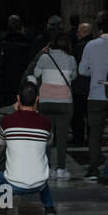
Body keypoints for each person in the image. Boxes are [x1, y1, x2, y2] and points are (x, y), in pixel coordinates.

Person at [0, 80, 56, 215]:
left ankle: (10, 199)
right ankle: (49, 208)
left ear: (18, 99)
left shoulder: (7, 121)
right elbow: (50, 141)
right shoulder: (46, 123)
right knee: (40, 172)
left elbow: (0, 141)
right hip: (39, 183)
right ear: (37, 98)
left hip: (13, 182)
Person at [32, 31, 77, 179]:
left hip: (46, 102)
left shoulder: (45, 57)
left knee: (47, 136)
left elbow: (36, 73)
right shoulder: (71, 59)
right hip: (65, 102)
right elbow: (73, 76)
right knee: (62, 138)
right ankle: (61, 168)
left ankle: (46, 168)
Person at [78, 16, 108, 180]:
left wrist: (97, 73)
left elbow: (82, 70)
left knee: (95, 134)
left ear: (99, 30)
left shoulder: (91, 45)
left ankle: (93, 168)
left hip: (96, 93)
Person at [70, 20, 95, 145]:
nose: (77, 34)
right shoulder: (94, 45)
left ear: (86, 32)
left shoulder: (79, 46)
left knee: (78, 115)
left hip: (80, 86)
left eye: (80, 31)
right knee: (89, 115)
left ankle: (78, 138)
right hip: (92, 85)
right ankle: (90, 139)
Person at [0, 15, 32, 105]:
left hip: (9, 72)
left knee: (9, 97)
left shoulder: (5, 40)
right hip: (18, 71)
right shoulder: (24, 39)